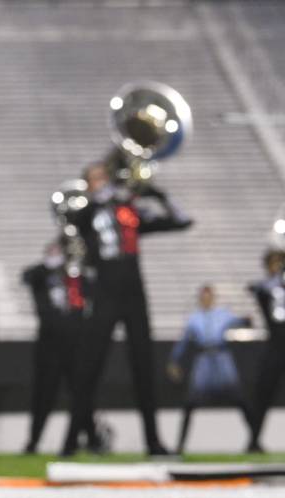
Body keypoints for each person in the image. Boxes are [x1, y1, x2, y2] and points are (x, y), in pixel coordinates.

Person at [62, 162, 192, 456]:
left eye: (103, 176)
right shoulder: (87, 212)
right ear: (88, 184)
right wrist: (104, 197)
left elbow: (182, 221)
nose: (103, 181)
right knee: (88, 370)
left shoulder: (129, 212)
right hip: (105, 293)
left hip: (134, 294)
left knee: (144, 366)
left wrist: (157, 194)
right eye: (96, 178)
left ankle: (154, 442)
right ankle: (69, 442)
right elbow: (75, 219)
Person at [22, 238, 93, 453]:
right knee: (43, 395)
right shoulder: (41, 275)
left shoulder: (74, 275)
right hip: (49, 345)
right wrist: (50, 267)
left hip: (74, 343)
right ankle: (33, 442)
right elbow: (28, 275)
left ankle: (92, 437)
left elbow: (88, 292)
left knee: (80, 393)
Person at [167, 285, 253, 454]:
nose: (206, 299)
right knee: (190, 402)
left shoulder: (223, 314)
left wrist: (246, 320)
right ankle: (180, 445)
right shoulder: (194, 318)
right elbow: (183, 341)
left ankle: (255, 440)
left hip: (221, 358)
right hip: (204, 361)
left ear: (213, 297)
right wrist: (174, 361)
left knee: (240, 399)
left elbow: (240, 321)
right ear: (200, 298)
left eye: (209, 296)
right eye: (203, 296)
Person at [247, 249, 285, 452]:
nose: (277, 266)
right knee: (263, 393)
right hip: (276, 345)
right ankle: (253, 440)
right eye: (274, 262)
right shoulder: (265, 288)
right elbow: (260, 289)